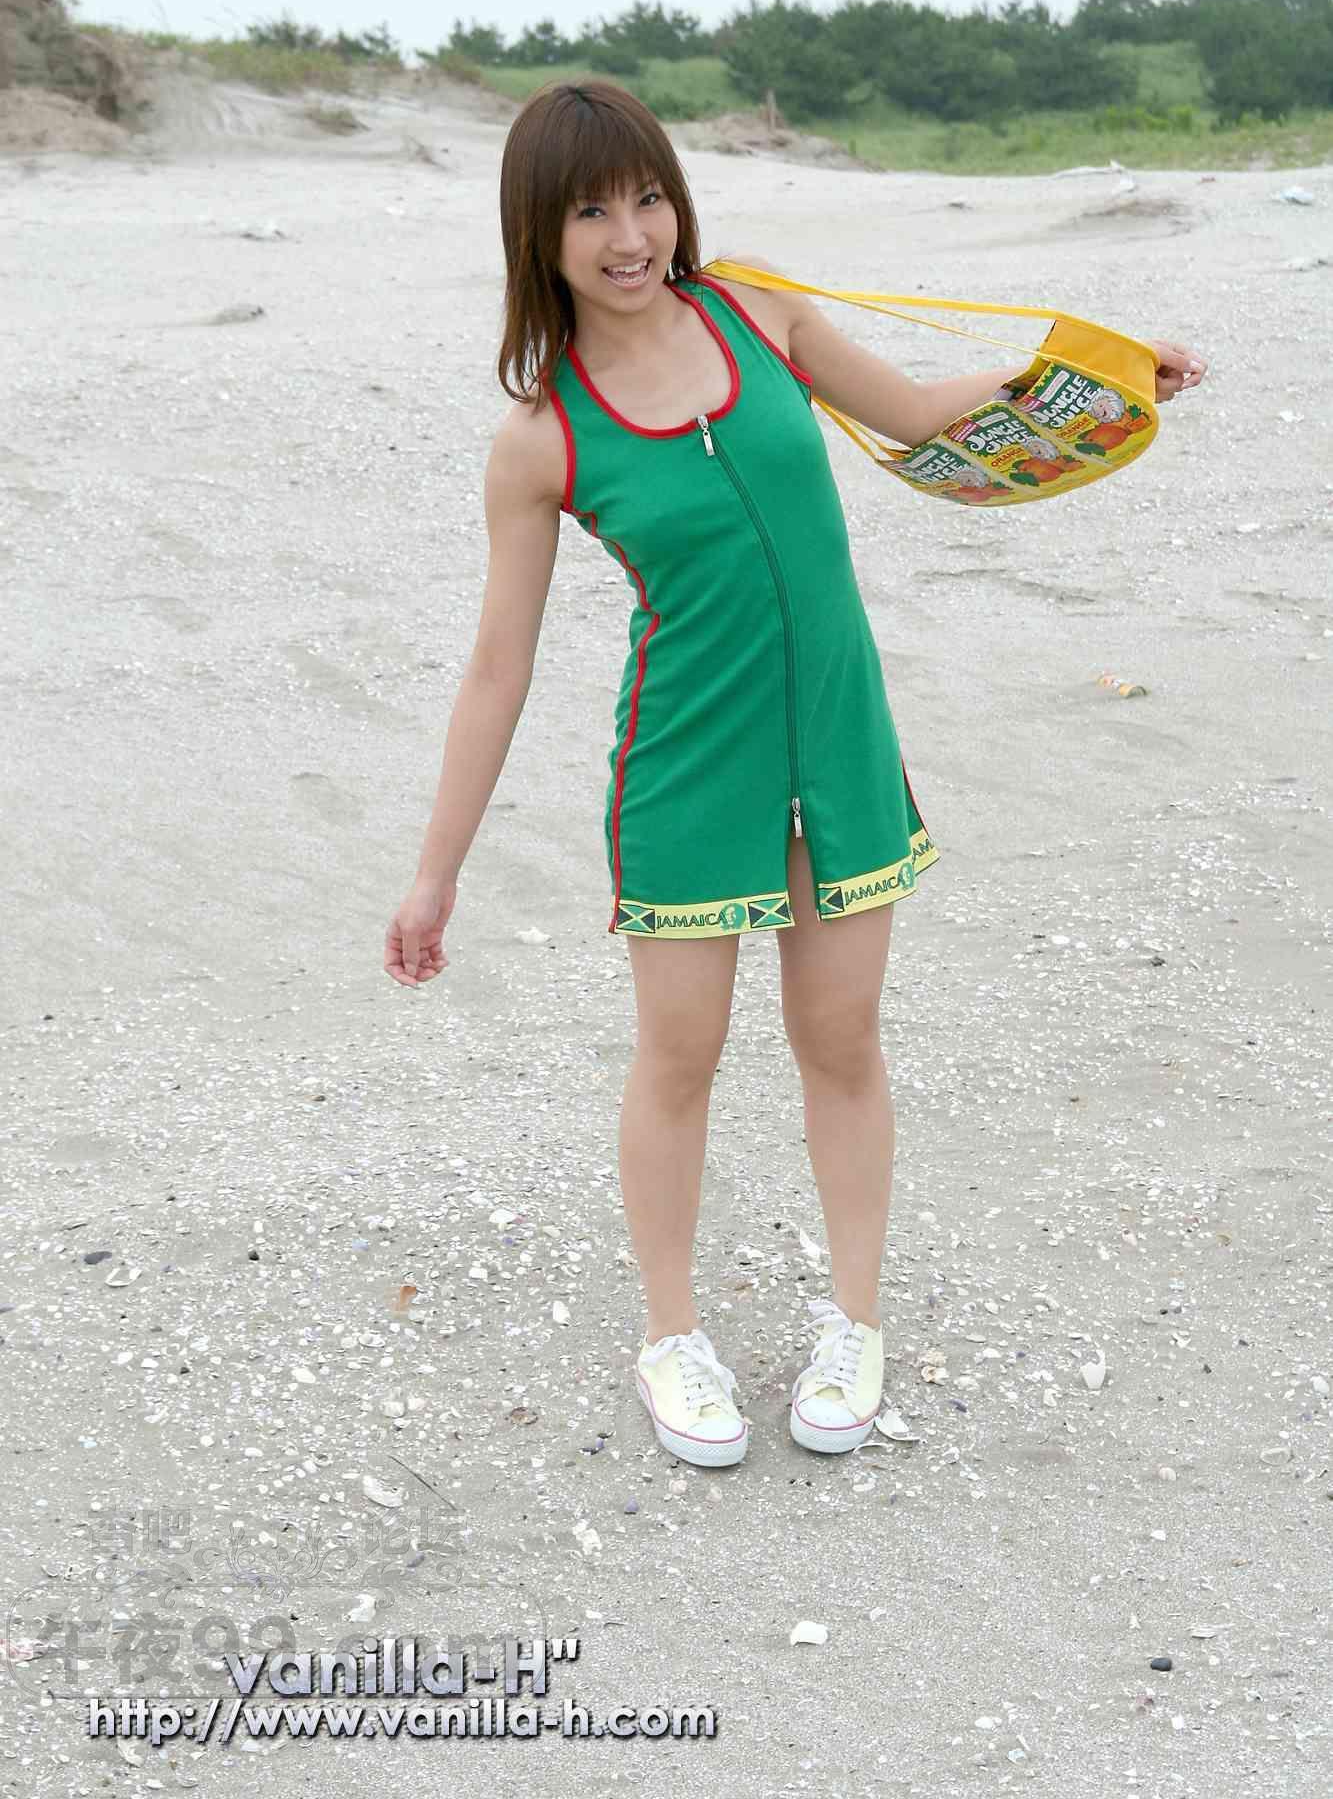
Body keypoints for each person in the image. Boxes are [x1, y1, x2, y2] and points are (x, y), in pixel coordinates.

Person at [383, 78, 1207, 1470]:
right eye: (591, 212)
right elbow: (494, 671)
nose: (630, 236)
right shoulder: (541, 440)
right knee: (679, 1057)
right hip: (686, 769)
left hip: (838, 748)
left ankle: (854, 1323)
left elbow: (917, 414)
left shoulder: (756, 312)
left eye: (648, 198)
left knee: (840, 1040)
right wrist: (434, 876)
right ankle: (672, 1337)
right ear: (539, 233)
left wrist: (1099, 377)